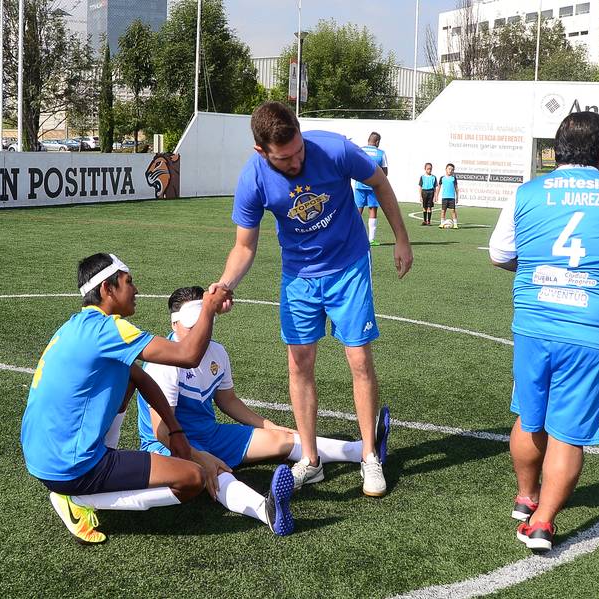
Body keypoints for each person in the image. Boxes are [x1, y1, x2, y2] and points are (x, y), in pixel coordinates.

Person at [210, 101, 412, 498]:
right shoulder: (253, 179)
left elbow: (380, 184)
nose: (296, 160)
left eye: (299, 150)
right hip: (298, 278)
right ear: (261, 152)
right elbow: (244, 247)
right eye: (285, 158)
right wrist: (225, 284)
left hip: (349, 265)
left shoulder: (334, 149)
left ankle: (370, 456)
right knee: (299, 363)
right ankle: (311, 460)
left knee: (359, 358)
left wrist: (402, 239)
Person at [488, 112, 599, 551]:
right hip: (590, 327)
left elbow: (499, 252)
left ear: (556, 150)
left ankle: (526, 497)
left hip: (534, 320)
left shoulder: (527, 192)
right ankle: (541, 523)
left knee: (528, 414)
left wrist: (542, 271)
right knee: (569, 431)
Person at [138, 286, 393, 534]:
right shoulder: (164, 365)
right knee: (217, 471)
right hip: (169, 446)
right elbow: (162, 433)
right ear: (174, 325)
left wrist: (268, 425)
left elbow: (228, 401)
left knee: (282, 439)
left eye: (203, 323)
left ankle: (362, 448)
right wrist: (201, 456)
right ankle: (267, 512)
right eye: (190, 326)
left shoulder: (217, 352)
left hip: (209, 435)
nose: (198, 331)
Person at [20, 253, 232, 544]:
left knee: (129, 375)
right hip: (69, 465)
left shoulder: (75, 325)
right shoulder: (108, 329)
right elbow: (188, 355)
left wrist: (175, 430)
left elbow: (143, 379)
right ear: (107, 289)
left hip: (42, 455)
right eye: (128, 282)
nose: (136, 290)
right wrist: (207, 308)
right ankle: (81, 499)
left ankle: (97, 466)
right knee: (191, 478)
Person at [353, 132, 389, 246]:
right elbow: (385, 172)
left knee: (357, 211)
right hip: (373, 186)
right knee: (372, 210)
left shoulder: (359, 150)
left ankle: (354, 238)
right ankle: (371, 239)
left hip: (359, 184)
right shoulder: (381, 153)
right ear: (377, 141)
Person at [436, 163, 459, 229]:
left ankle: (455, 224)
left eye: (452, 170)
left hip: (452, 197)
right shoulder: (442, 178)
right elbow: (439, 187)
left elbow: (456, 188)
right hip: (444, 197)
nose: (450, 171)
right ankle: (441, 223)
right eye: (449, 169)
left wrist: (457, 197)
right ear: (446, 169)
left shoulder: (453, 178)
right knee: (443, 211)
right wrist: (436, 196)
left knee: (453, 211)